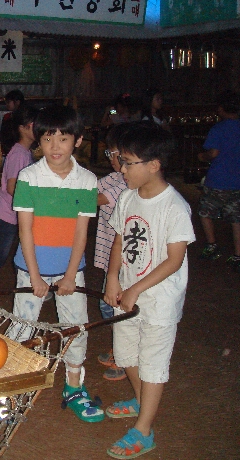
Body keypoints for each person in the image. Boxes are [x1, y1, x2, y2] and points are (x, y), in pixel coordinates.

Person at [104, 123, 195, 459]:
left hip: (158, 302)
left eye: (128, 162)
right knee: (127, 354)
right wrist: (113, 277)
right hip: (125, 294)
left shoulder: (174, 207)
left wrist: (135, 289)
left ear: (153, 165)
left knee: (152, 363)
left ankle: (144, 429)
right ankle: (142, 402)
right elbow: (119, 237)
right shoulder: (128, 198)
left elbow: (173, 260)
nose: (121, 168)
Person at [9, 105, 103, 423]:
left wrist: (70, 274)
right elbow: (25, 229)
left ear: (77, 141)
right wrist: (35, 277)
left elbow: (81, 233)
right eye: (48, 138)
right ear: (39, 141)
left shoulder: (87, 180)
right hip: (30, 267)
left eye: (64, 138)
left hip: (70, 270)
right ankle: (14, 387)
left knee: (75, 327)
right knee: (23, 326)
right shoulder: (29, 176)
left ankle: (74, 387)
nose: (55, 146)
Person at [0, 105, 37, 288]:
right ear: (24, 127)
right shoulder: (19, 153)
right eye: (36, 124)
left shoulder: (24, 152)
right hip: (5, 215)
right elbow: (12, 187)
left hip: (10, 214)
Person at [94, 124, 131, 381]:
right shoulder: (114, 178)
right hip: (111, 254)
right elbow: (93, 187)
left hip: (122, 259)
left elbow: (93, 199)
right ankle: (120, 350)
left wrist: (57, 199)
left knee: (113, 308)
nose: (112, 159)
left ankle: (123, 356)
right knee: (109, 306)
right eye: (109, 153)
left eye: (114, 153)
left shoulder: (124, 184)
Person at [197, 90, 240, 272]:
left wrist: (202, 156)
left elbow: (213, 153)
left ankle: (212, 245)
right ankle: (237, 255)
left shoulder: (218, 129)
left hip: (218, 179)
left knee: (205, 212)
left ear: (221, 109)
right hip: (237, 180)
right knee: (236, 218)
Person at [0, 89, 25, 156]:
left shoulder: (25, 117)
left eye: (8, 102)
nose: (7, 105)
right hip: (8, 150)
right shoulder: (7, 116)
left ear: (17, 102)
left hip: (20, 150)